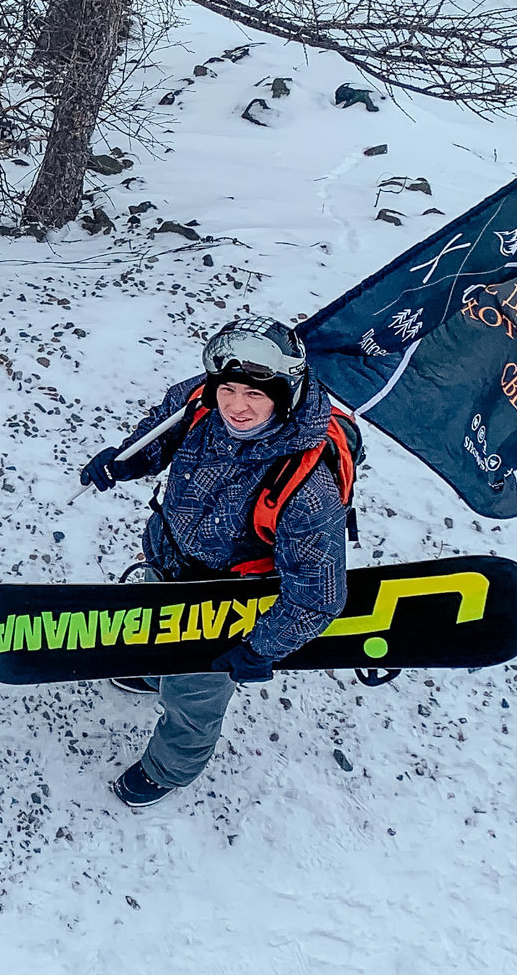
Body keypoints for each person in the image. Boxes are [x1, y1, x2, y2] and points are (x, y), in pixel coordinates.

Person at [78, 320, 356, 809]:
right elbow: (161, 432)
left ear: (285, 394)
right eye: (227, 389)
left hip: (225, 604)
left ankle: (170, 768)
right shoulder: (199, 402)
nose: (237, 406)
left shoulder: (308, 490)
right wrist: (127, 459)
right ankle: (150, 671)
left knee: (193, 698)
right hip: (168, 559)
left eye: (255, 394)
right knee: (150, 628)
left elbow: (318, 596)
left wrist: (261, 646)